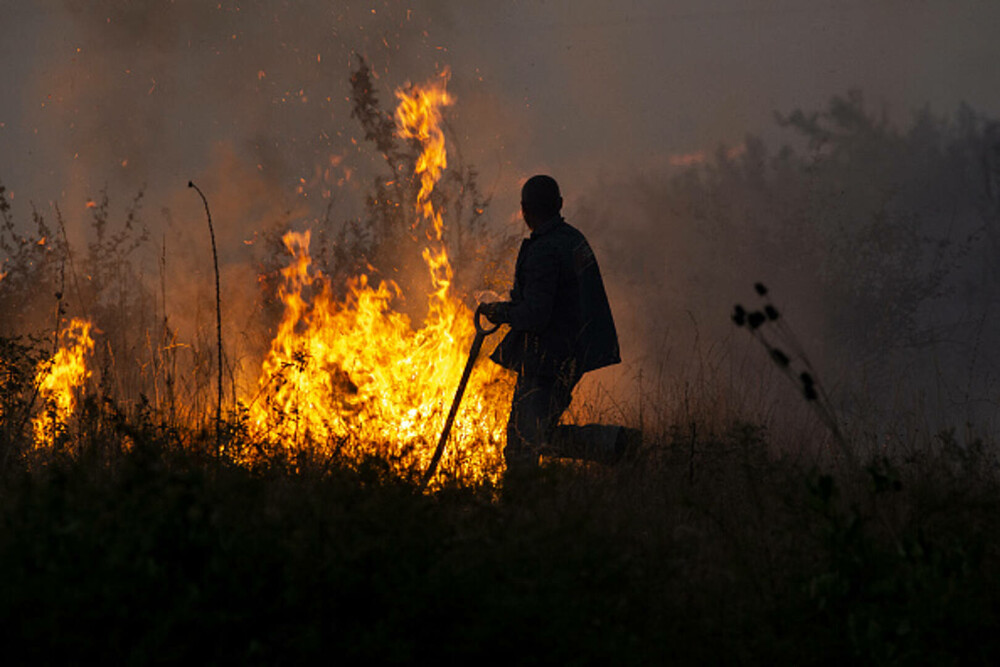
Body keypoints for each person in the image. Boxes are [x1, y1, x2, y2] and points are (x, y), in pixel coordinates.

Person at [477, 174, 631, 474]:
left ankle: (613, 444)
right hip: (571, 353)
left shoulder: (545, 250)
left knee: (523, 443)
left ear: (523, 209)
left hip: (547, 360)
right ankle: (615, 444)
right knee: (536, 436)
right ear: (560, 204)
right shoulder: (573, 239)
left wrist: (500, 312)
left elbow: (536, 315)